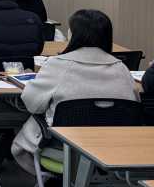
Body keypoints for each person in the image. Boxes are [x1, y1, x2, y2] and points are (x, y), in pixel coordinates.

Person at [12, 10, 137, 173]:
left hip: (66, 150)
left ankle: (52, 186)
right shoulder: (122, 69)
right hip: (113, 151)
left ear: (74, 35)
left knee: (32, 125)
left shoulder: (58, 65)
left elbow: (32, 104)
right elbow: (133, 105)